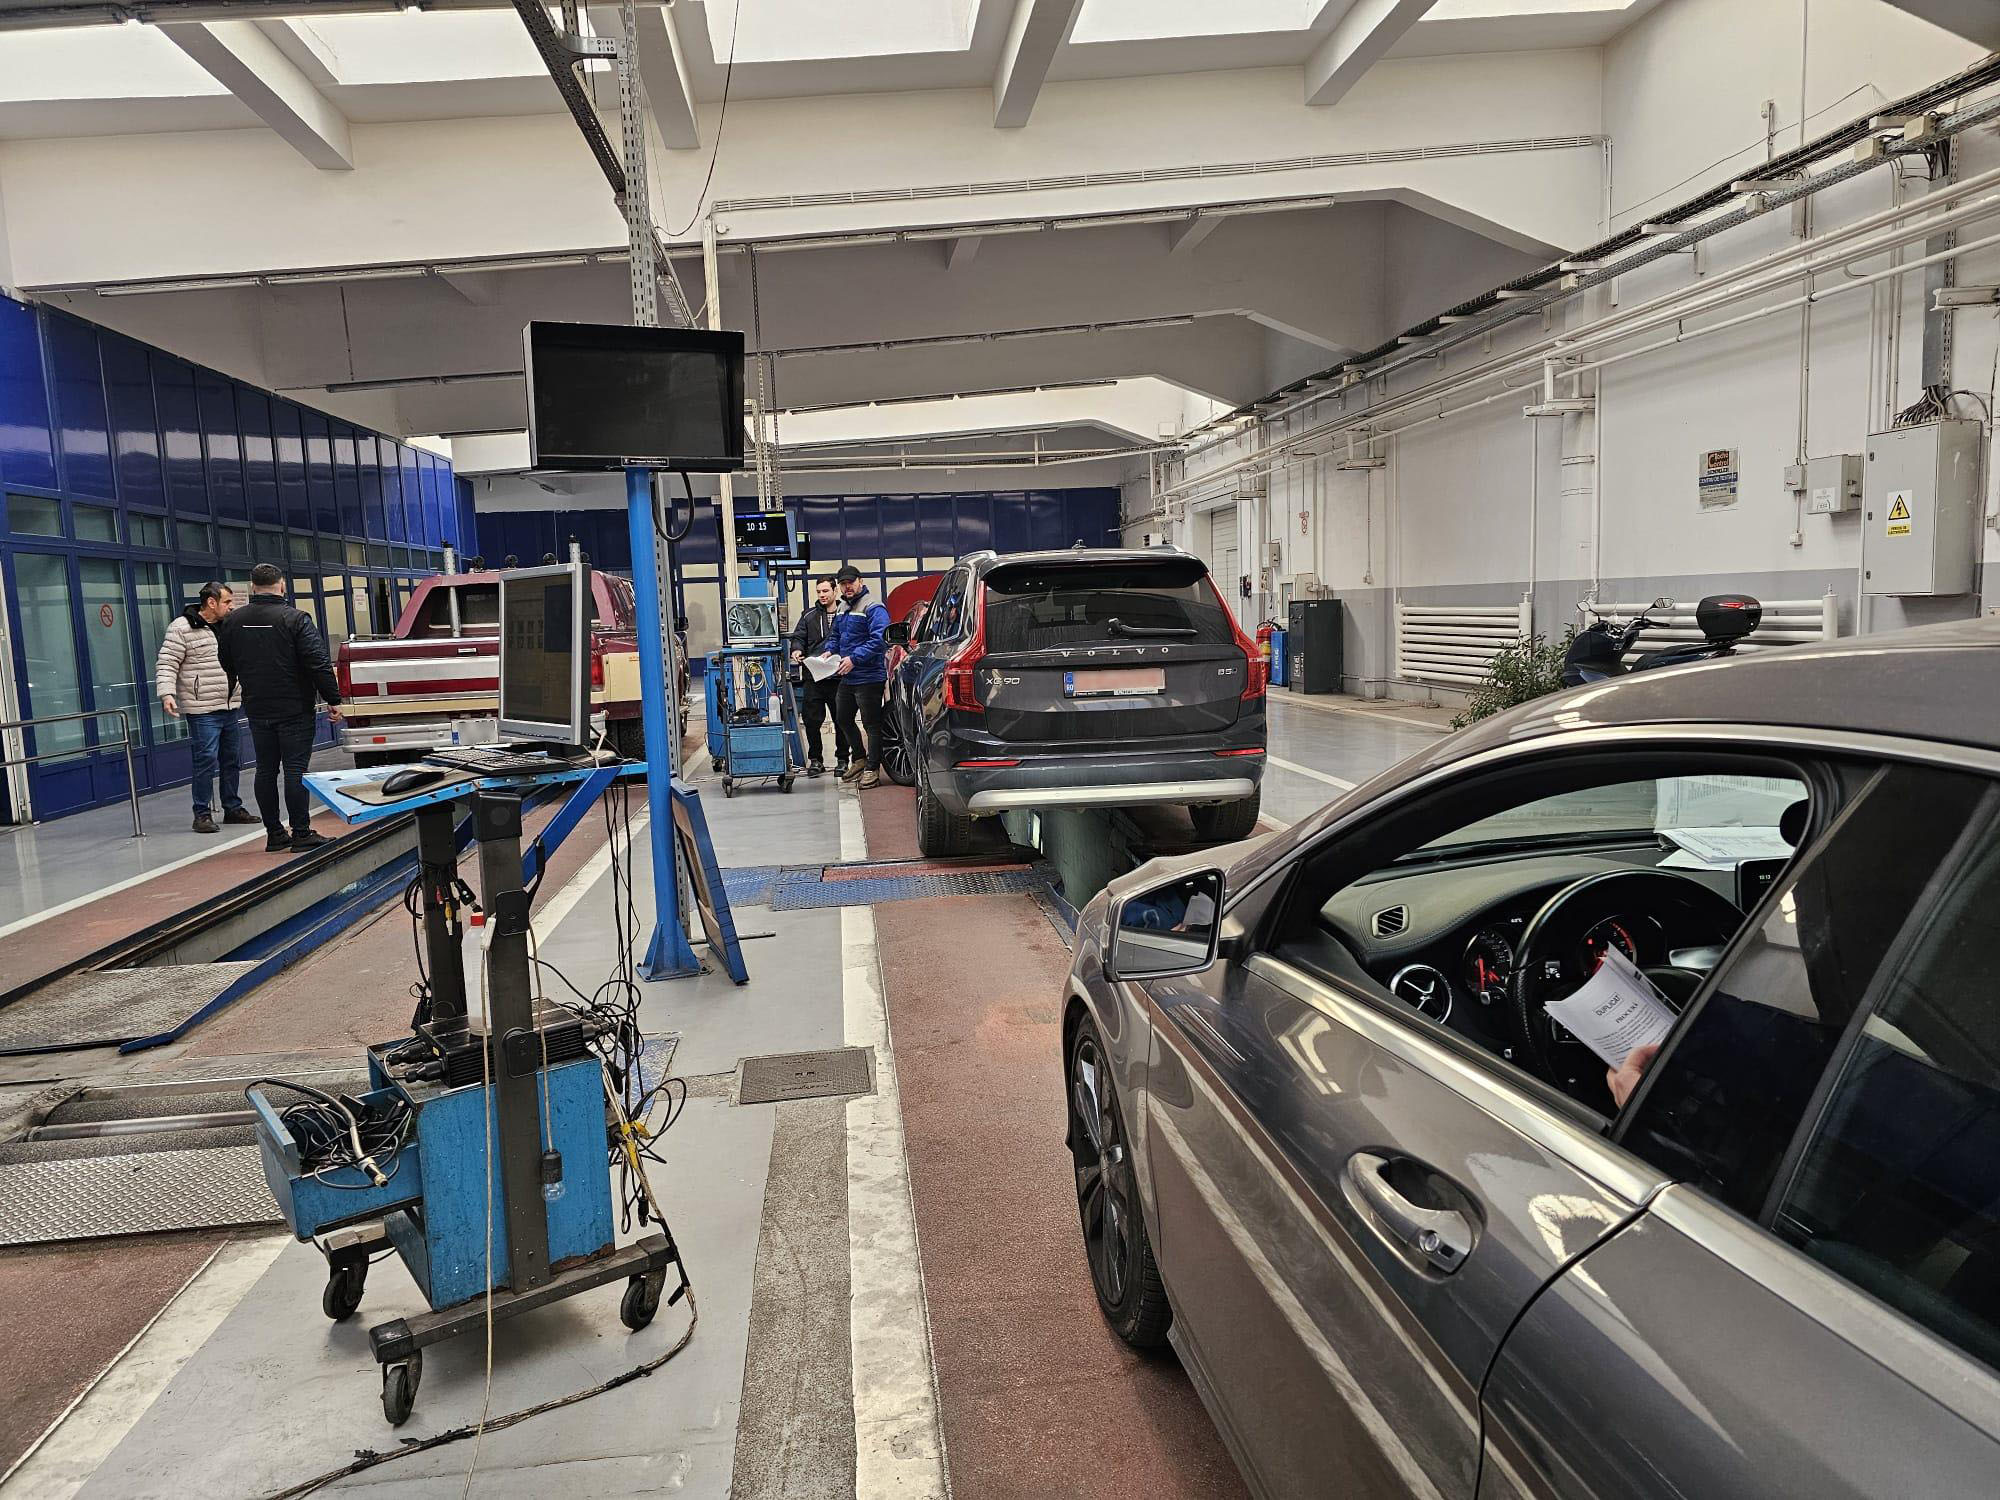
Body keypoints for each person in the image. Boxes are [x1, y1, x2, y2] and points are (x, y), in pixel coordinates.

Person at [218, 563, 344, 854]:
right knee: (295, 770)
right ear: (282, 585)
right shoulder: (295, 619)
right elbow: (318, 662)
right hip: (294, 706)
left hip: (257, 706)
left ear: (252, 586)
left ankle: (275, 834)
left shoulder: (234, 621)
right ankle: (301, 833)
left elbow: (225, 659)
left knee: (265, 769)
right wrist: (333, 699)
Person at [155, 581, 255, 835]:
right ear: (211, 602)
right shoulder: (181, 628)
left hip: (230, 706)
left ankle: (232, 808)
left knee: (232, 759)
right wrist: (166, 693)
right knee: (206, 760)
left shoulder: (230, 626)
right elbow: (167, 663)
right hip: (202, 709)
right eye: (227, 602)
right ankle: (202, 813)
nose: (231, 607)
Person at [829, 564, 890, 788]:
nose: (847, 587)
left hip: (869, 676)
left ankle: (873, 769)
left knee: (871, 724)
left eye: (851, 582)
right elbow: (836, 635)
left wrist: (854, 659)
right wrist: (829, 650)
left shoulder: (874, 607)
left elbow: (880, 640)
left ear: (860, 581)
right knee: (843, 718)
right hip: (848, 676)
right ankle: (860, 759)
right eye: (843, 584)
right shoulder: (842, 607)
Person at [789, 575, 850, 777]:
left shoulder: (846, 613)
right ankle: (815, 760)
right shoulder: (808, 616)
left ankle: (843, 760)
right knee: (811, 721)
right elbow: (799, 637)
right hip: (813, 677)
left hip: (838, 677)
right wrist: (796, 649)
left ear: (835, 591)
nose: (822, 595)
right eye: (819, 592)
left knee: (841, 720)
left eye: (825, 591)